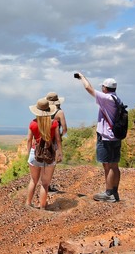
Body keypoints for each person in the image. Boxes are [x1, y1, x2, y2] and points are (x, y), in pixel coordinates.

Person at [75, 73, 121, 202]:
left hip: (107, 137)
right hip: (115, 137)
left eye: (103, 87)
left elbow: (88, 88)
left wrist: (82, 77)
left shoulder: (106, 99)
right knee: (114, 165)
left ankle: (108, 193)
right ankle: (114, 192)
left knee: (108, 165)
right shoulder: (117, 99)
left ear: (105, 88)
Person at [26, 98, 63, 209]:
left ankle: (28, 203)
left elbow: (29, 140)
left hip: (35, 153)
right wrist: (59, 152)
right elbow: (57, 139)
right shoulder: (54, 123)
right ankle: (42, 206)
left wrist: (29, 153)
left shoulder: (33, 124)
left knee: (33, 180)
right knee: (45, 184)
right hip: (49, 154)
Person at [45, 92, 68, 192]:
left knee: (43, 161)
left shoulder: (44, 110)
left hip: (42, 139)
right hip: (54, 140)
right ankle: (47, 186)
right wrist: (61, 136)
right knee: (52, 163)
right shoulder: (59, 112)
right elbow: (65, 129)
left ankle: (43, 184)